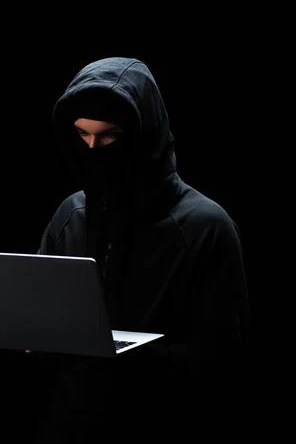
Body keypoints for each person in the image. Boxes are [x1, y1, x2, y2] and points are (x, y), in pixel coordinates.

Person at [35, 57, 250, 442]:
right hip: (69, 426)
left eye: (110, 136)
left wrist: (124, 353)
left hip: (160, 427)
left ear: (144, 133)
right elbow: (39, 318)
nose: (93, 149)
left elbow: (222, 360)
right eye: (82, 135)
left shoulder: (205, 227)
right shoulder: (72, 214)